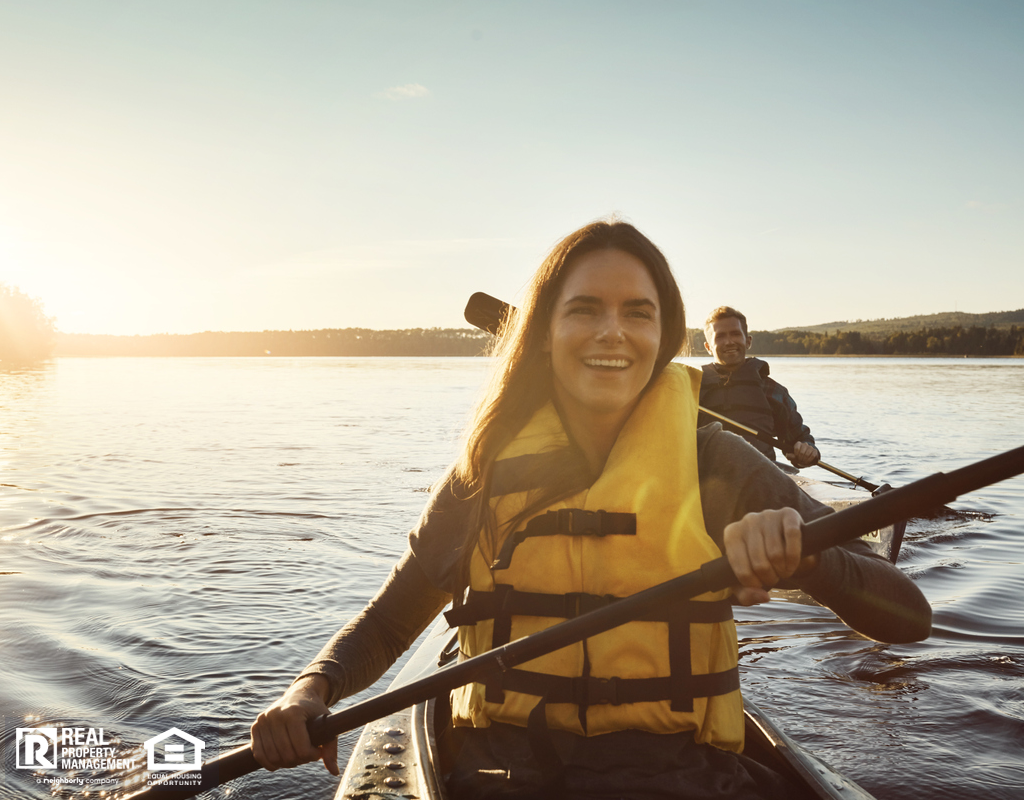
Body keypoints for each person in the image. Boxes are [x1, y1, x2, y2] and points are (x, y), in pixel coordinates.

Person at [250, 221, 931, 799]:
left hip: (683, 779)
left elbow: (909, 616)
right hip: (497, 774)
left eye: (639, 312)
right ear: (544, 333)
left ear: (663, 337)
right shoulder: (486, 468)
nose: (613, 332)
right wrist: (311, 690)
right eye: (584, 310)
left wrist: (811, 563)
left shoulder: (718, 463)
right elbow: (389, 622)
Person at [700, 307, 820, 468]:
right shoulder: (691, 386)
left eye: (735, 334)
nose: (729, 342)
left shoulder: (773, 390)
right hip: (706, 478)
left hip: (760, 478)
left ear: (748, 341)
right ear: (708, 347)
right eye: (720, 336)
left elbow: (800, 439)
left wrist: (807, 451)